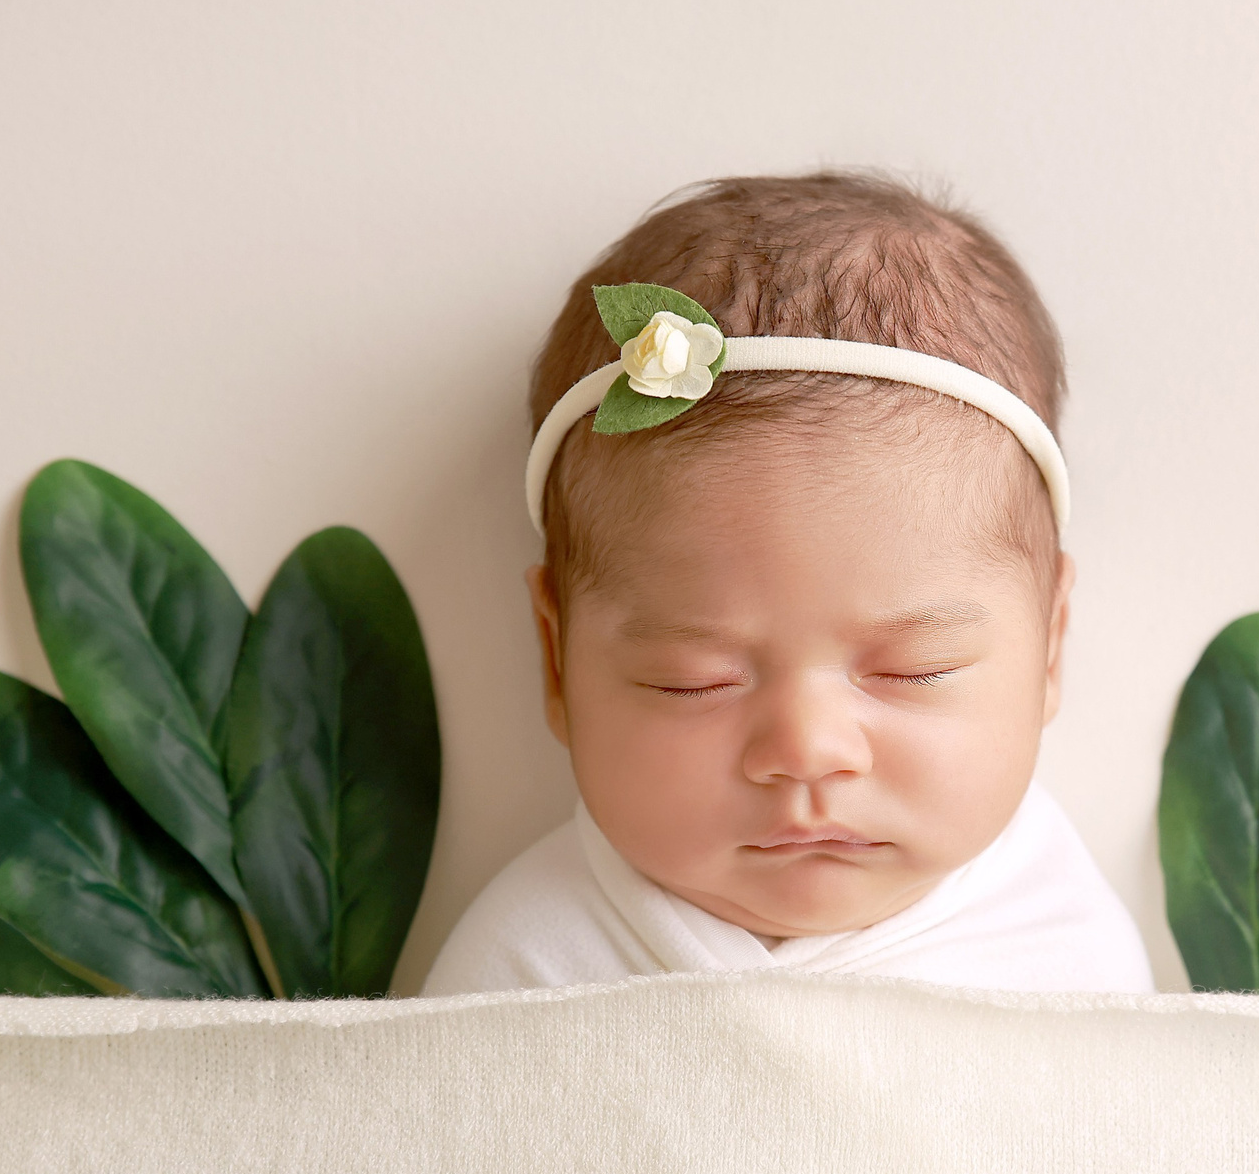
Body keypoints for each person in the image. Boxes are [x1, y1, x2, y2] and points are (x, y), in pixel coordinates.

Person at [420, 173, 1154, 995]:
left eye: (916, 669)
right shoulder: (525, 973)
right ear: (557, 661)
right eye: (693, 681)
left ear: (1050, 647)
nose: (807, 750)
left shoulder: (1073, 961)